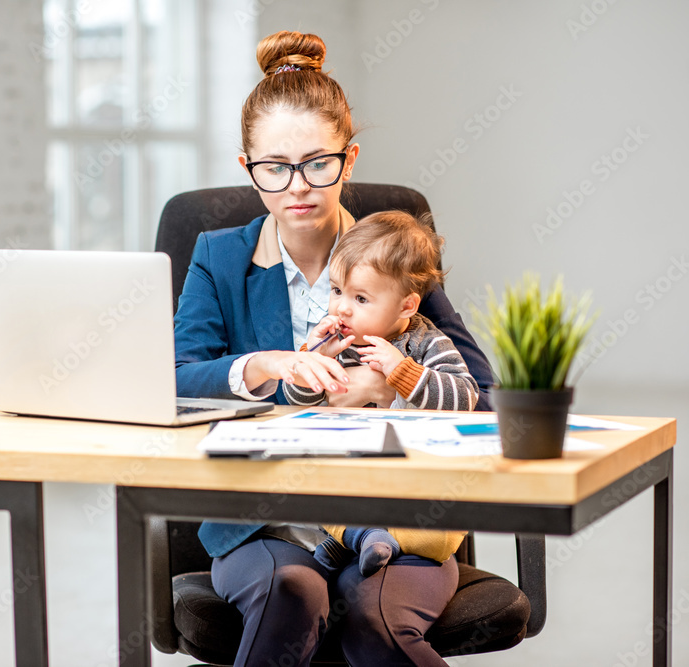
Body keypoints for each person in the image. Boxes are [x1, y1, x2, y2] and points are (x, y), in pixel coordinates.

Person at [173, 30, 494, 666]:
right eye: (275, 168)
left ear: (348, 160)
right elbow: (178, 378)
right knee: (291, 590)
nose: (298, 187)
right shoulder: (219, 256)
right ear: (248, 169)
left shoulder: (390, 254)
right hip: (267, 516)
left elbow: (484, 397)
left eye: (318, 164)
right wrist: (269, 365)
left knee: (373, 611)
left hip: (387, 513)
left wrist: (392, 382)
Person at [284, 210, 476, 579]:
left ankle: (366, 540)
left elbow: (464, 396)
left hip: (410, 484)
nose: (341, 307)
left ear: (406, 305)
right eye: (337, 291)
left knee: (442, 535)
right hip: (349, 475)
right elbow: (296, 402)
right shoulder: (334, 343)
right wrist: (311, 362)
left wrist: (402, 372)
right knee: (315, 491)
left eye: (360, 298)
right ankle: (362, 536)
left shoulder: (425, 342)